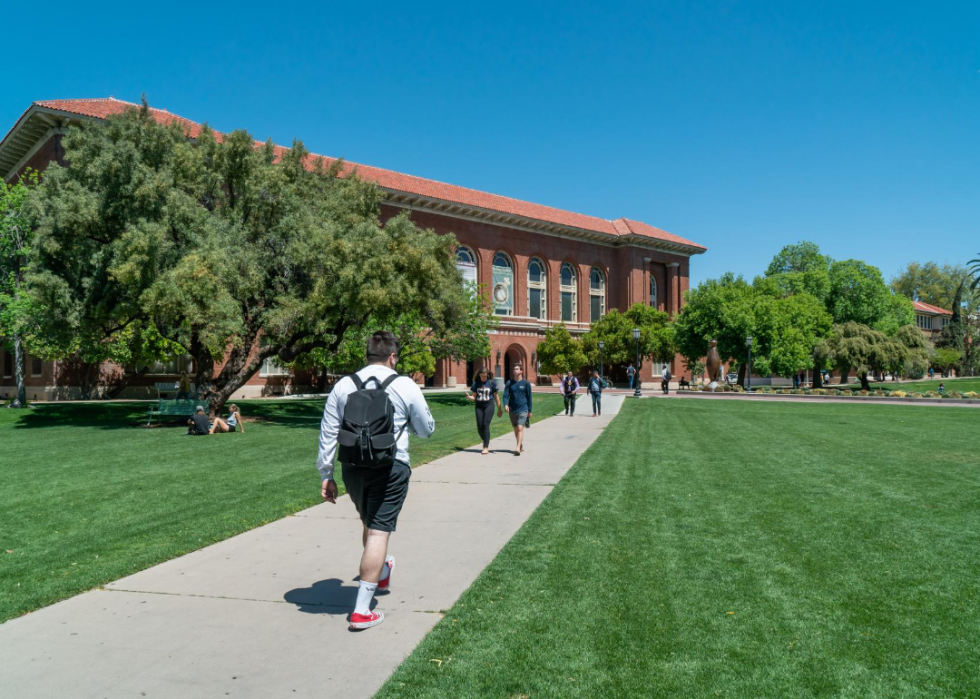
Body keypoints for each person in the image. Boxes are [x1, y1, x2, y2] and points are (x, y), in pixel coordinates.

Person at [317, 331, 435, 631]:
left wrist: (326, 475)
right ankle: (361, 611)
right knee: (379, 533)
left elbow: (329, 433)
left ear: (367, 355)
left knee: (370, 524)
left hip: (352, 467)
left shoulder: (344, 385)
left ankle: (381, 570)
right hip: (392, 466)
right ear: (393, 357)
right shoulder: (404, 384)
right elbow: (425, 429)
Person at [466, 366, 502, 455]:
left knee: (485, 425)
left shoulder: (491, 383)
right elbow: (473, 397)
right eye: (482, 375)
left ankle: (486, 447)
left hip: (489, 405)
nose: (483, 377)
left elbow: (496, 397)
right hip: (479, 406)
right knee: (479, 427)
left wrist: (499, 409)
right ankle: (486, 439)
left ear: (487, 375)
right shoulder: (476, 384)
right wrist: (469, 397)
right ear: (479, 375)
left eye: (485, 375)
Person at [503, 364, 532, 456]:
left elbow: (529, 398)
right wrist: (506, 404)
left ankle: (517, 448)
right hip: (512, 410)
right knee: (516, 429)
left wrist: (530, 411)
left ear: (521, 371)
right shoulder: (509, 383)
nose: (514, 370)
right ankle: (520, 445)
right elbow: (505, 395)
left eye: (517, 369)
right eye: (514, 369)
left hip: (523, 409)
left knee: (520, 428)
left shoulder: (526, 384)